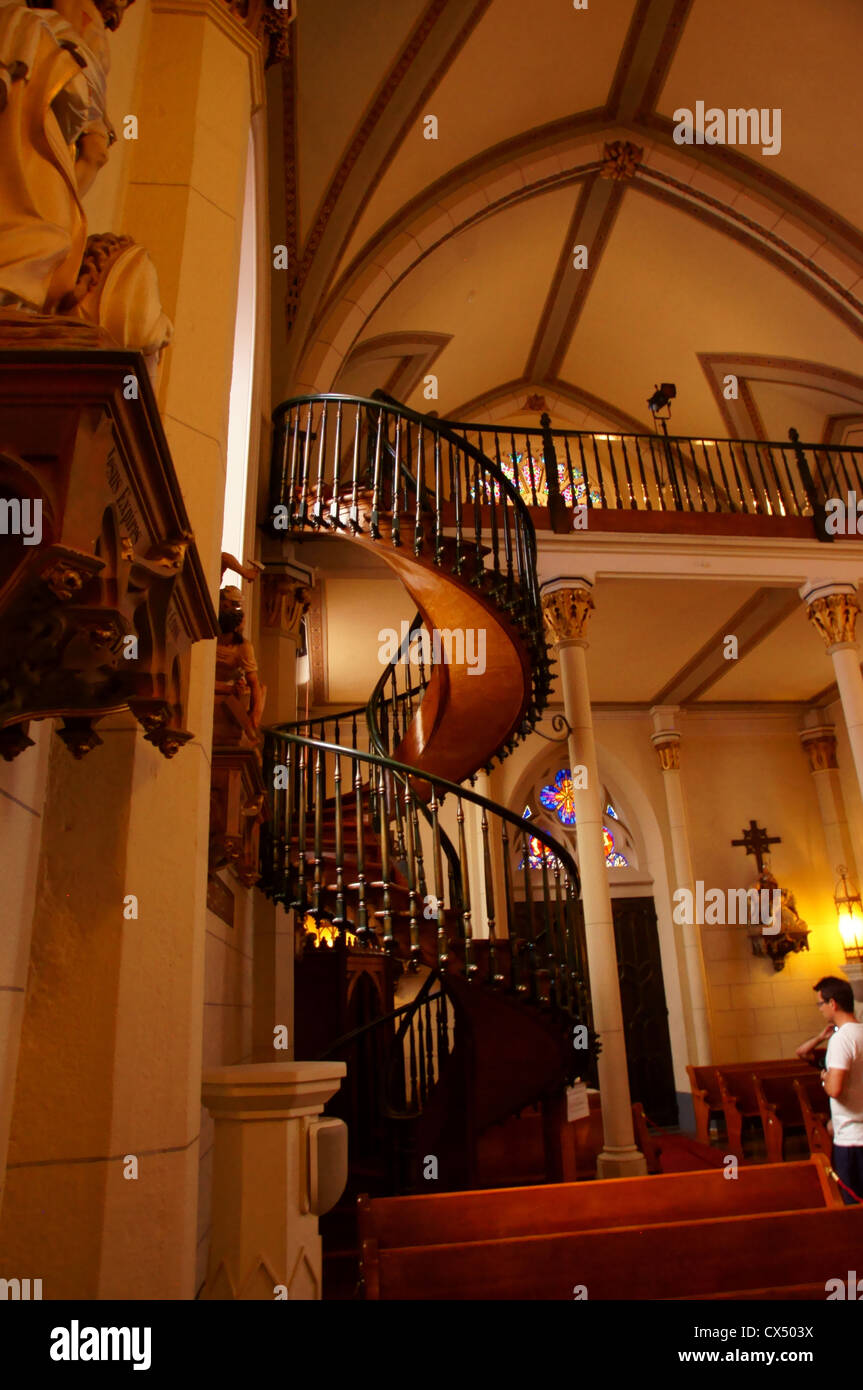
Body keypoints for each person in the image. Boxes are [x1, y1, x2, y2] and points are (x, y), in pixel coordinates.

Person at [797, 976, 863, 1204]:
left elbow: (835, 1089)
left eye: (820, 1004)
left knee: (852, 1205)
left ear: (832, 1003)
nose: (820, 1010)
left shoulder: (841, 1039)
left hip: (852, 1140)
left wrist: (825, 1078)